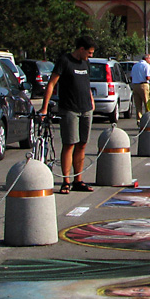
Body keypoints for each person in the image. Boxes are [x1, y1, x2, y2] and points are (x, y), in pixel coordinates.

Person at [40, 35, 96, 194]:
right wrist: (44, 108)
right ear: (81, 49)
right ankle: (66, 181)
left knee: (82, 144)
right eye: (89, 52)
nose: (90, 56)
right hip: (69, 108)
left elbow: (86, 82)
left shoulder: (86, 63)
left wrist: (91, 100)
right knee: (70, 143)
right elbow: (51, 84)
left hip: (86, 108)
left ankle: (78, 180)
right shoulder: (65, 61)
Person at [130, 54, 150, 122]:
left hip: (135, 85)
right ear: (146, 59)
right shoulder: (146, 65)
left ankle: (139, 120)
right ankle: (148, 118)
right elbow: (147, 77)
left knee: (138, 105)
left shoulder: (135, 65)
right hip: (144, 85)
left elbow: (131, 77)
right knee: (147, 103)